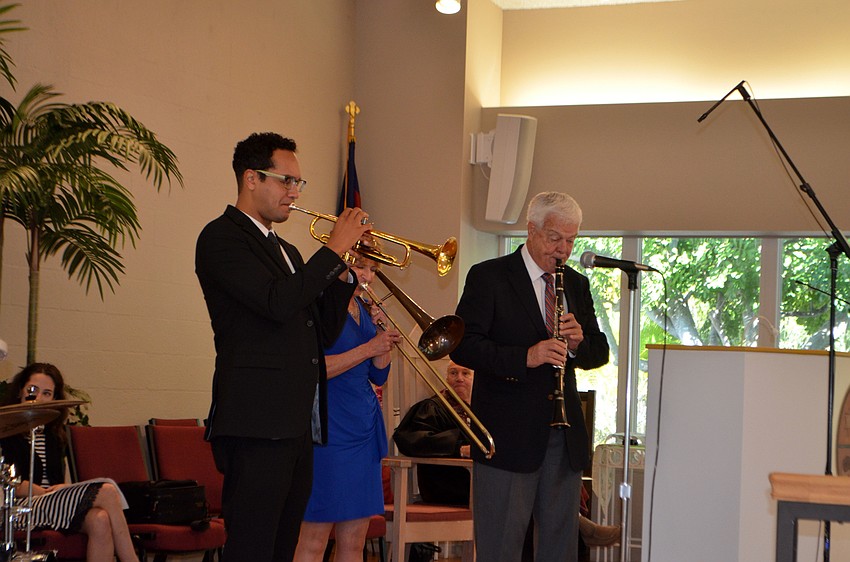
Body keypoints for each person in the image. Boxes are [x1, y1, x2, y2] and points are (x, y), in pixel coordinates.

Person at [195, 132, 372, 561]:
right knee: (252, 546)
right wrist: (332, 250)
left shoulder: (289, 250)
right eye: (285, 180)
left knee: (281, 547)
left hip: (297, 422)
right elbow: (276, 303)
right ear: (251, 178)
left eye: (299, 183)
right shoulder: (221, 238)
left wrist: (346, 277)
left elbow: (320, 332)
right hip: (256, 421)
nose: (294, 192)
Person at [450, 191, 611, 562]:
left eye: (571, 240)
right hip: (506, 436)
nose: (564, 249)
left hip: (563, 434)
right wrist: (526, 356)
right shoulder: (489, 277)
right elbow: (464, 346)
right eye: (555, 238)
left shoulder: (576, 284)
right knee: (500, 547)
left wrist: (576, 344)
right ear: (531, 229)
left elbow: (598, 352)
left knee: (559, 548)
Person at [393, 360, 621, 550]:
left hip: (481, 477)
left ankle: (576, 527)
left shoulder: (486, 411)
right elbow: (407, 438)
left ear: (477, 379)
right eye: (453, 373)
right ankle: (582, 528)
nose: (459, 378)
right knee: (521, 493)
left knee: (530, 484)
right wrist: (457, 447)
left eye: (465, 373)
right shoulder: (435, 406)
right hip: (447, 482)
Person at [293, 241, 401, 562]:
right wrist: (369, 348)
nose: (367, 275)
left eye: (373, 269)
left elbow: (378, 378)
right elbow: (313, 371)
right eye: (360, 267)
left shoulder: (364, 310)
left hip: (364, 429)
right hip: (329, 430)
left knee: (354, 543)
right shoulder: (320, 305)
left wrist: (383, 342)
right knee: (314, 540)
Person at [0, 363, 139, 562]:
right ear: (20, 391)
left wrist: (63, 489)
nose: (38, 398)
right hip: (22, 507)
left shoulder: (55, 435)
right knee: (107, 490)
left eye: (47, 393)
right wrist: (41, 491)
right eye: (33, 390)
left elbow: (57, 480)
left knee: (100, 519)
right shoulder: (6, 431)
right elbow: (7, 484)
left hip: (53, 503)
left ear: (54, 399)